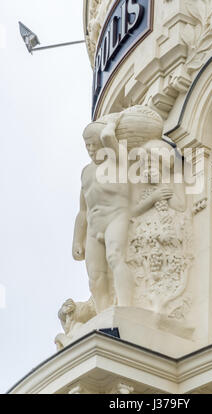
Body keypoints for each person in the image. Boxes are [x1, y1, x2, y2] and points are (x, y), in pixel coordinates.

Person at [72, 117, 133, 313]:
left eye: (93, 144)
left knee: (115, 257)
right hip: (93, 225)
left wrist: (113, 121)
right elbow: (83, 210)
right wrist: (76, 240)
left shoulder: (117, 160)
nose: (90, 149)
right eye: (86, 145)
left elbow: (107, 135)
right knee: (95, 278)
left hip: (116, 217)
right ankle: (103, 316)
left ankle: (125, 308)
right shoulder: (86, 172)